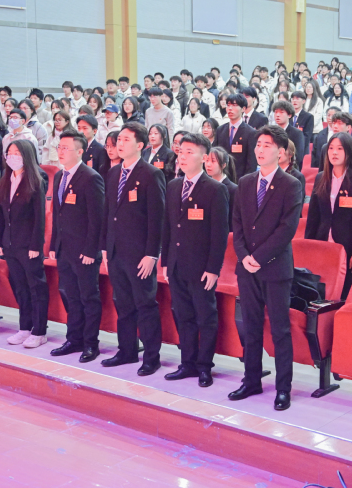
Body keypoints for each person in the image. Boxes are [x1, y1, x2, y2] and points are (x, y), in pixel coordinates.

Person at [229, 124, 304, 410]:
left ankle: (283, 388)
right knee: (250, 326)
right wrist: (243, 255)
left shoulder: (291, 184)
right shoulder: (246, 182)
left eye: (267, 145)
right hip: (246, 267)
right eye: (258, 144)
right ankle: (251, 380)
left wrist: (258, 257)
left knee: (280, 330)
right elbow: (237, 222)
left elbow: (287, 229)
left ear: (281, 152)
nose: (260, 149)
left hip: (274, 268)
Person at [161, 132, 229, 387]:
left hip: (201, 267)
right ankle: (187, 363)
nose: (183, 156)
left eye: (190, 152)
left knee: (205, 317)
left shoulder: (215, 189)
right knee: (183, 315)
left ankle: (204, 367)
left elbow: (219, 234)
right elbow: (168, 227)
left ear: (204, 157)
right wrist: (165, 261)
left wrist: (213, 269)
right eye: (181, 151)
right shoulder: (173, 186)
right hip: (176, 264)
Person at [101, 122, 166, 373]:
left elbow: (157, 218)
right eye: (119, 139)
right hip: (115, 251)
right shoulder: (113, 173)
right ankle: (126, 351)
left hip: (140, 254)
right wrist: (105, 247)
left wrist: (152, 254)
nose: (120, 143)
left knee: (145, 305)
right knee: (123, 303)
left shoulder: (151, 174)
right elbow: (108, 213)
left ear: (140, 145)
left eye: (126, 139)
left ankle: (151, 357)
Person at [49, 131, 106, 363]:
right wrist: (54, 244)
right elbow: (57, 214)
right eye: (59, 147)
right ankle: (74, 339)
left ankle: (91, 343)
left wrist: (91, 250)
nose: (61, 152)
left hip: (85, 251)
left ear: (80, 151)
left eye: (66, 148)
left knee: (88, 298)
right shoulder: (59, 176)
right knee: (70, 296)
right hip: (64, 248)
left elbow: (97, 219)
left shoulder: (90, 177)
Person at [0, 139, 49, 348]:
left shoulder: (36, 178)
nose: (12, 156)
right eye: (9, 152)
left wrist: (36, 245)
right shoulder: (6, 178)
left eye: (17, 152)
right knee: (20, 287)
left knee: (36, 287)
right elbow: (1, 213)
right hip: (10, 242)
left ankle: (39, 331)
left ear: (26, 155)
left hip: (28, 245)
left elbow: (39, 217)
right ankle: (24, 327)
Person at [305, 132, 352, 296]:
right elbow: (313, 216)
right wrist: (308, 245)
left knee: (341, 291)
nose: (334, 153)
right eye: (331, 148)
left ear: (348, 152)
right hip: (322, 241)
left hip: (346, 244)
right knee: (319, 289)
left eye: (340, 149)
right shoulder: (321, 178)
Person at [215, 92, 257, 179]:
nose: (230, 109)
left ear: (243, 109)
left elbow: (251, 162)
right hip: (221, 177)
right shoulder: (220, 130)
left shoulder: (250, 132)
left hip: (240, 178)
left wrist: (245, 181)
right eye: (228, 105)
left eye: (234, 105)